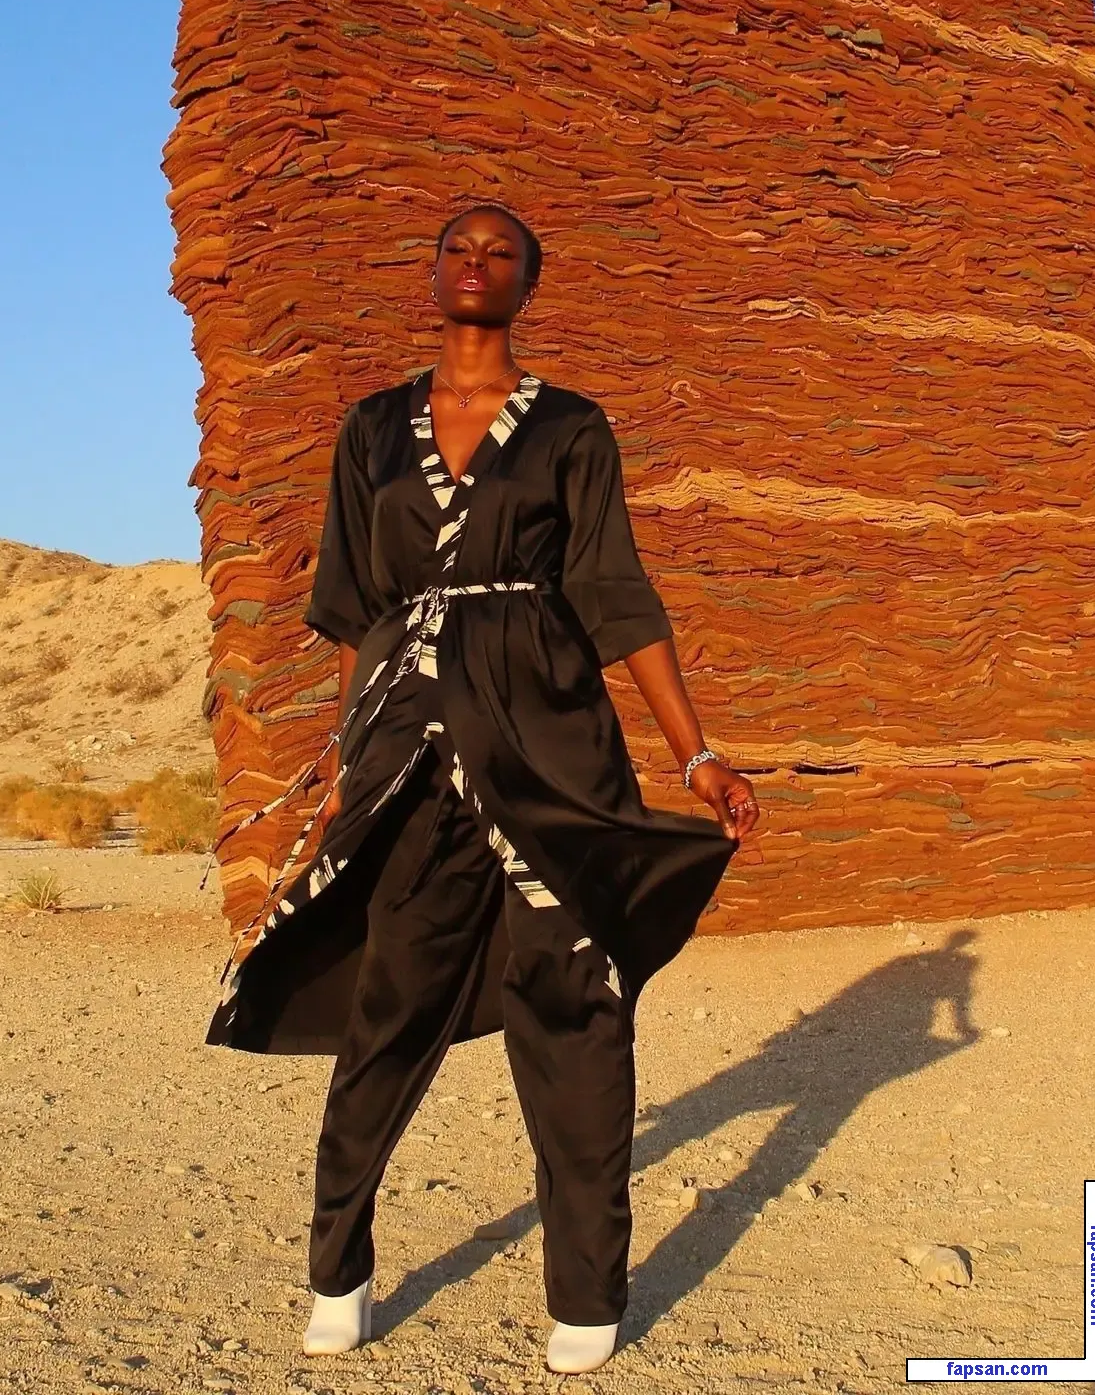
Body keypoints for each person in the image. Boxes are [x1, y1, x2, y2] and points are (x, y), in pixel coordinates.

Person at [205, 203, 761, 1375]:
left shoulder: (568, 427)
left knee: (575, 1005)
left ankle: (586, 1292)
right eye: (457, 248)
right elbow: (356, 610)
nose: (475, 263)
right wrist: (350, 760)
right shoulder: (370, 429)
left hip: (548, 744)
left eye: (500, 252)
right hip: (409, 746)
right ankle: (339, 1271)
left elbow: (615, 592)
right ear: (432, 273)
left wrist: (694, 753)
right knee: (390, 1004)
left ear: (527, 283)